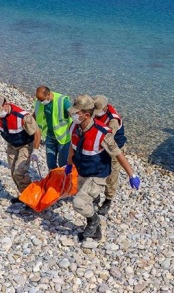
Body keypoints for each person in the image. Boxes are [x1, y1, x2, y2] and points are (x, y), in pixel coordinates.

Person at [65, 94, 140, 242]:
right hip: (83, 169)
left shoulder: (102, 133)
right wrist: (69, 164)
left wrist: (132, 175)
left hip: (98, 173)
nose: (72, 114)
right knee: (89, 201)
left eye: (76, 112)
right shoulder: (74, 126)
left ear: (86, 115)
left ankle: (94, 221)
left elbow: (118, 154)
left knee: (78, 203)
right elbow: (72, 147)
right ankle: (95, 231)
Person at [92, 95, 128, 215]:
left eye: (98, 112)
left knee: (112, 175)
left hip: (114, 147)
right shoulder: (97, 111)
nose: (96, 114)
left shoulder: (113, 120)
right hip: (101, 146)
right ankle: (95, 195)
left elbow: (107, 139)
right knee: (95, 171)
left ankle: (108, 199)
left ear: (106, 108)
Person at [34, 86, 72, 170]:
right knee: (50, 164)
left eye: (41, 99)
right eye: (39, 99)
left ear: (48, 95)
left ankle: (64, 181)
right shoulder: (40, 102)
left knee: (63, 164)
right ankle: (54, 181)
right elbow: (35, 116)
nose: (40, 102)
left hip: (63, 139)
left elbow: (75, 116)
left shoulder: (63, 101)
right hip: (50, 137)